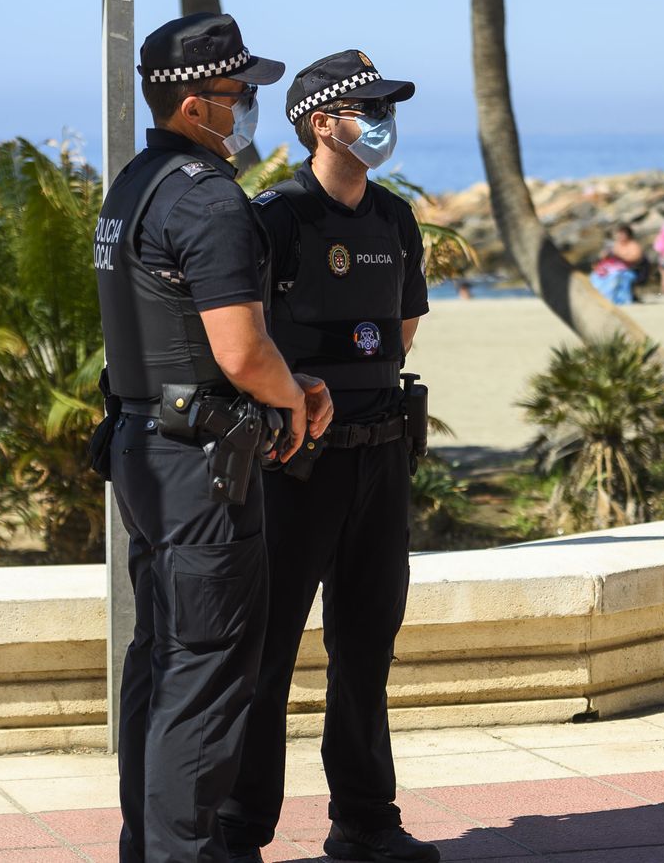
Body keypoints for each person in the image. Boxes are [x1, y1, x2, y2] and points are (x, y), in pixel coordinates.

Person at [91, 12, 332, 863]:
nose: (250, 108)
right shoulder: (206, 195)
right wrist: (296, 400)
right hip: (202, 464)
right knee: (208, 675)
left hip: (141, 443)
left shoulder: (133, 186)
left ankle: (146, 845)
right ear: (198, 104)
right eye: (241, 94)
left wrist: (281, 382)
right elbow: (238, 347)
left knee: (161, 659)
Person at [219, 50, 438, 863]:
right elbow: (235, 338)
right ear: (321, 123)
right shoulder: (275, 218)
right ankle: (240, 830)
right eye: (368, 109)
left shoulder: (394, 218)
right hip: (293, 465)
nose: (383, 123)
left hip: (380, 458)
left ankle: (366, 821)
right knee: (266, 650)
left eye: (388, 108)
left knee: (367, 642)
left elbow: (404, 326)